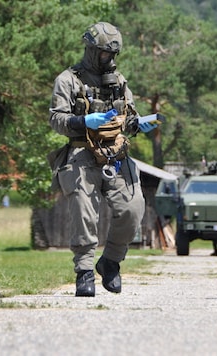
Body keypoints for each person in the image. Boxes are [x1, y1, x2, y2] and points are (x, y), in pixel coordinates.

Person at [48, 22, 157, 297]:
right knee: (84, 208)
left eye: (113, 55)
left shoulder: (119, 82)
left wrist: (137, 124)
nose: (110, 60)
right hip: (82, 153)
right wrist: (83, 120)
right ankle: (84, 271)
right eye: (105, 54)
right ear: (91, 50)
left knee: (133, 208)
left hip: (116, 153)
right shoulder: (68, 80)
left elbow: (129, 116)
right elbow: (55, 119)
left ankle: (110, 262)